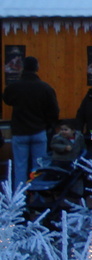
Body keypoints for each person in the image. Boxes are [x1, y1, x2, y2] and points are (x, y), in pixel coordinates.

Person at [4, 56, 60, 185]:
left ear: (22, 68)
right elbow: (54, 111)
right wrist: (48, 124)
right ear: (37, 68)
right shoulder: (45, 88)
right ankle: (37, 194)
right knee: (38, 165)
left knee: (20, 166)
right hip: (39, 131)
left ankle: (20, 197)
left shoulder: (14, 87)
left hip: (20, 131)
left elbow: (7, 100)